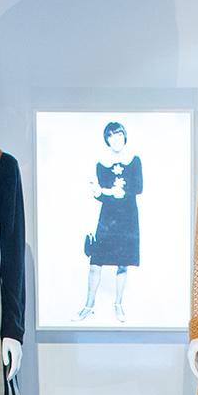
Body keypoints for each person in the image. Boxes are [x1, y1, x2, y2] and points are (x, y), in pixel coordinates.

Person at [78, 121, 143, 321]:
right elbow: (100, 195)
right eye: (112, 136)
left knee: (123, 264)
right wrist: (102, 191)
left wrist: (118, 192)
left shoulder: (134, 161)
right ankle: (89, 305)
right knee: (95, 263)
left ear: (124, 137)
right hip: (107, 218)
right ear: (107, 139)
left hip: (128, 217)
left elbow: (138, 187)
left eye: (120, 135)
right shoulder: (101, 164)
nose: (117, 139)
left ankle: (118, 305)